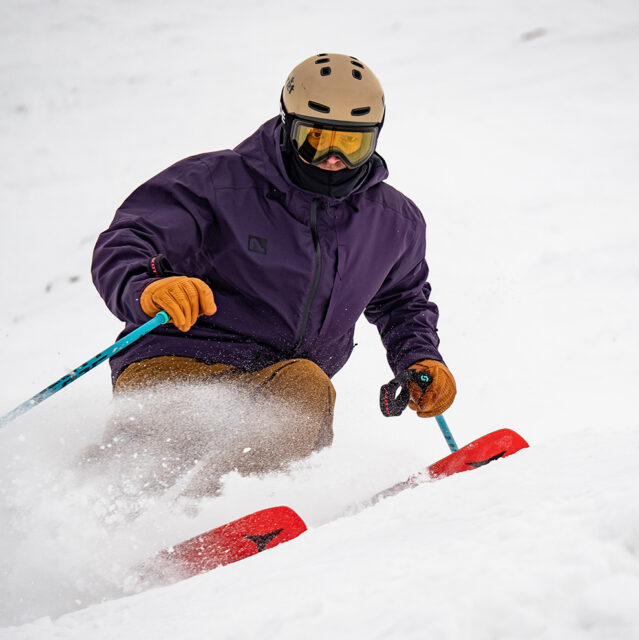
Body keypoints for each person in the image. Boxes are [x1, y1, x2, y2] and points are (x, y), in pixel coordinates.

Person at [91, 53, 457, 492]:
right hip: (177, 365)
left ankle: (215, 520)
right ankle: (178, 515)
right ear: (287, 126)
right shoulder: (216, 183)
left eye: (351, 144)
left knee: (300, 391)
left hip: (281, 381)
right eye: (315, 140)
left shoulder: (392, 220)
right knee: (301, 390)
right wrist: (147, 287)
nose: (333, 158)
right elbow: (128, 239)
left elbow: (402, 301)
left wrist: (419, 356)